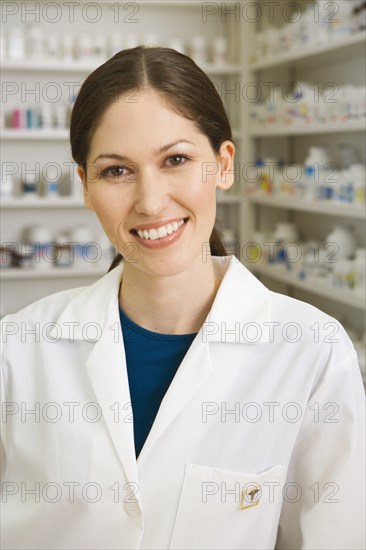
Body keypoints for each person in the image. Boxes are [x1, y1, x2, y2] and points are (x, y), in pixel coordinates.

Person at [1, 46, 364, 550]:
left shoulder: (313, 353)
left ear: (223, 164)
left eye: (176, 160)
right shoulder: (18, 349)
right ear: (85, 186)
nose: (150, 202)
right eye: (116, 171)